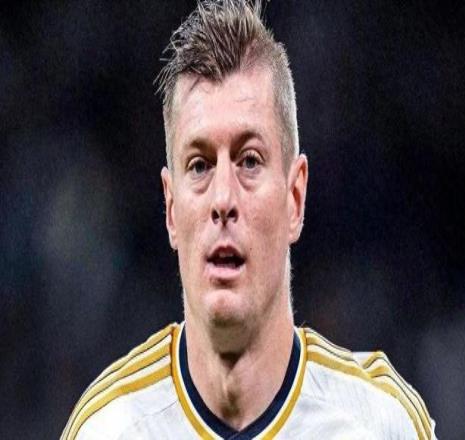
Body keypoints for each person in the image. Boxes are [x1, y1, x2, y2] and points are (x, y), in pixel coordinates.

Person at [61, 1, 437, 438]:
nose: (223, 198)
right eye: (200, 165)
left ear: (295, 198)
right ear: (171, 209)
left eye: (250, 160)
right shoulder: (107, 428)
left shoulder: (380, 423)